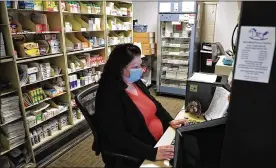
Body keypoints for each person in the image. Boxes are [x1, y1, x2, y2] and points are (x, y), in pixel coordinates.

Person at [95, 44, 186, 168]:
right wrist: (152, 153)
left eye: (140, 65)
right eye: (136, 66)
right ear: (120, 68)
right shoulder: (108, 94)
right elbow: (118, 136)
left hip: (160, 137)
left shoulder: (135, 81)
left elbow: (155, 104)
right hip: (141, 148)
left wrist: (170, 120)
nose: (141, 70)